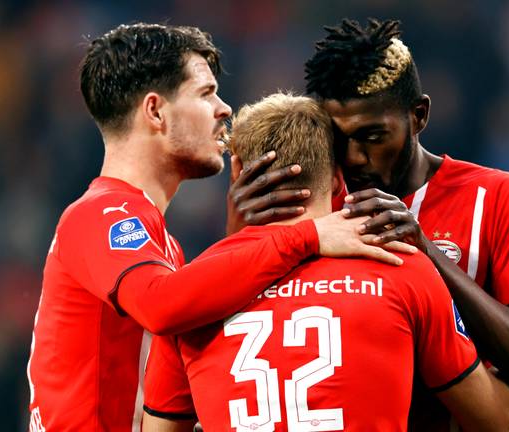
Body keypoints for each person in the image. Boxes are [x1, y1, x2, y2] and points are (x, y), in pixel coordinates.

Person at [25, 23, 413, 432]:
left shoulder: (157, 242)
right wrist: (309, 236)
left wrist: (239, 242)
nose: (225, 108)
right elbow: (160, 305)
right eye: (206, 93)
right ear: (155, 111)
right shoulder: (100, 213)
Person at [229, 18, 509, 429]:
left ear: (418, 115)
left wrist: (428, 255)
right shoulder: (313, 205)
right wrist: (238, 238)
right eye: (339, 139)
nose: (354, 157)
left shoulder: (496, 198)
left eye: (373, 136)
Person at [141, 92, 509, 432]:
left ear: (237, 171)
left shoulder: (191, 296)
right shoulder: (400, 266)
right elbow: (494, 420)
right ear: (339, 180)